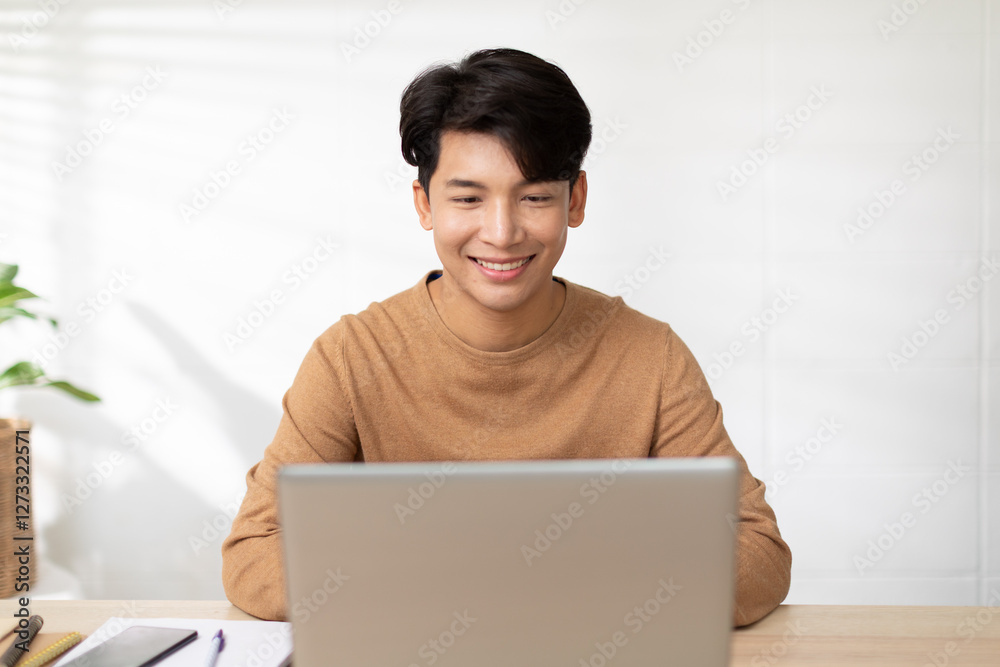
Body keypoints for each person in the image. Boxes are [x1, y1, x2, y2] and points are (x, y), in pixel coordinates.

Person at [221, 47, 791, 627]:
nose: (501, 232)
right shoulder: (352, 356)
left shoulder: (650, 356)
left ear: (577, 200)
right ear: (424, 205)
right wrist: (459, 595)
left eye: (535, 197)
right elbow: (255, 553)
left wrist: (548, 596)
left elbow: (756, 552)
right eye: (468, 198)